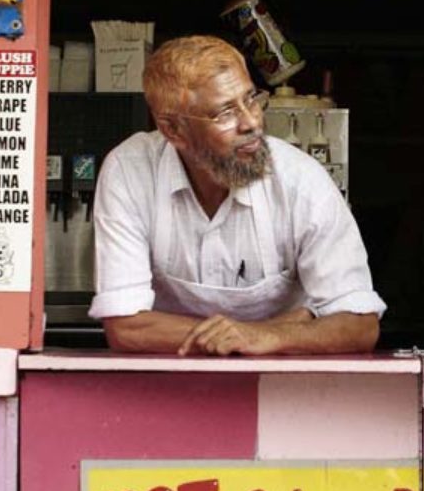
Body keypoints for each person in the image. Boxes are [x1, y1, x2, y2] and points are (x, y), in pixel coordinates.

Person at [90, 35, 385, 357]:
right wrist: (281, 327)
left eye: (251, 99)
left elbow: (360, 325)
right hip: (168, 388)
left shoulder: (301, 180)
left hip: (287, 391)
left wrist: (265, 337)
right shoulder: (131, 171)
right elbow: (125, 327)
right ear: (173, 130)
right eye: (225, 112)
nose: (251, 122)